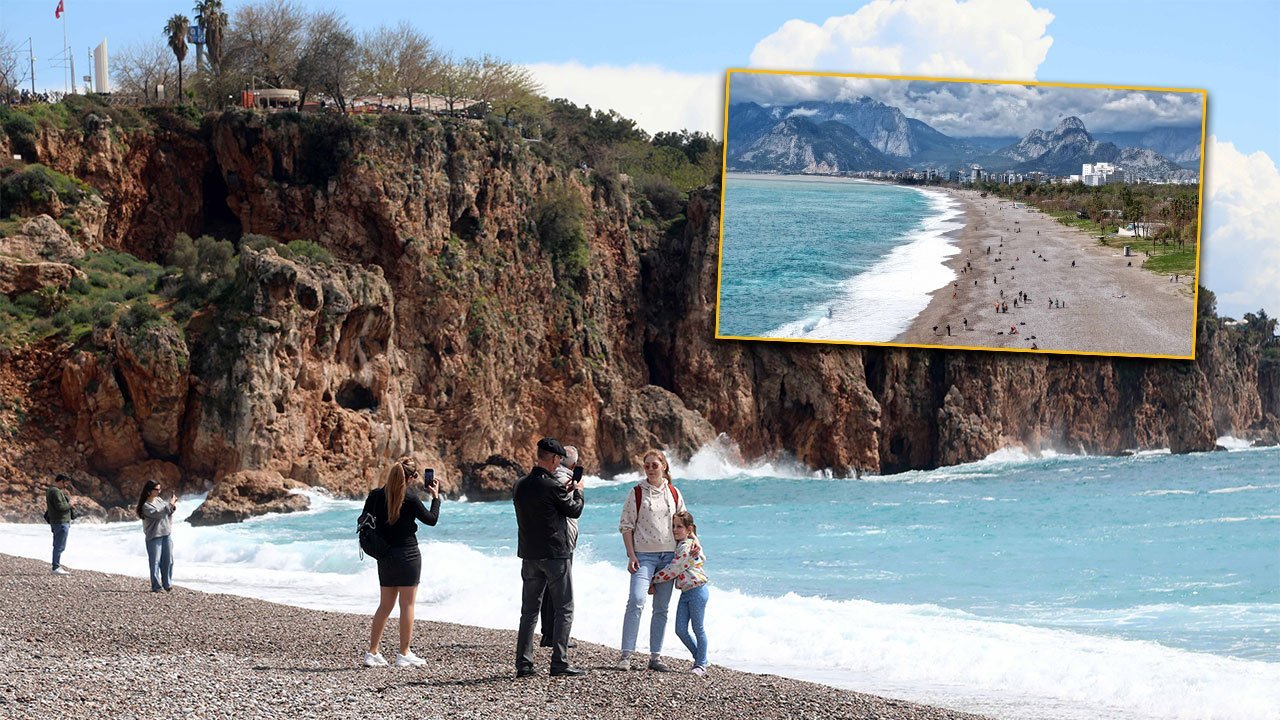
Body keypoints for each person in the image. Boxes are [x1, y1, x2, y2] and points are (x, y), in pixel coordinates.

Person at [515, 438, 585, 677]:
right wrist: (579, 493)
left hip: (529, 554)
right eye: (558, 460)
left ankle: (524, 664)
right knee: (564, 608)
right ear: (554, 459)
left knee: (529, 611)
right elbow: (573, 510)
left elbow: (540, 510)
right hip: (555, 554)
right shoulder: (552, 486)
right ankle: (559, 662)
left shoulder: (520, 485)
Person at [362, 457, 441, 668]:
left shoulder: (375, 496)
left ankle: (372, 652)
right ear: (410, 477)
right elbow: (431, 520)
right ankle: (404, 653)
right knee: (407, 605)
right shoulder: (410, 498)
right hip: (407, 555)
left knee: (385, 605)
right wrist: (435, 497)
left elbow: (365, 522)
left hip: (385, 556)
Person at [616, 449, 686, 672]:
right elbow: (626, 526)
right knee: (636, 600)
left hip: (669, 557)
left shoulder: (674, 493)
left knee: (661, 608)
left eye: (654, 465)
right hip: (643, 556)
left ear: (664, 466)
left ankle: (655, 657)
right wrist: (631, 555)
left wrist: (691, 551)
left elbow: (685, 524)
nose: (650, 469)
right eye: (647, 465)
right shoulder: (636, 493)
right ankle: (626, 655)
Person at [649, 511, 709, 675]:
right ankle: (700, 657)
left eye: (679, 527)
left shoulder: (687, 547)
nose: (675, 529)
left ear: (689, 529)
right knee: (680, 629)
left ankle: (701, 664)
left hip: (697, 590)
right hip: (685, 592)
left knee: (698, 628)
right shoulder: (684, 543)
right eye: (673, 526)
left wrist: (653, 579)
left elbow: (673, 569)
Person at [540, 445, 581, 649]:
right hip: (562, 540)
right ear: (573, 464)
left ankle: (547, 633)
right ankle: (555, 636)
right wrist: (579, 492)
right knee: (561, 592)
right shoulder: (564, 481)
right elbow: (573, 510)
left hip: (545, 541)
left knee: (547, 589)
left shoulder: (547, 478)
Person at [136, 480, 177, 592]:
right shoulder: (146, 506)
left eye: (159, 489)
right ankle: (156, 586)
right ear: (149, 491)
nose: (159, 491)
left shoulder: (159, 500)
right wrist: (171, 503)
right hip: (154, 536)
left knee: (168, 560)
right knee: (155, 562)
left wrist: (172, 505)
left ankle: (167, 584)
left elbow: (167, 511)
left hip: (166, 533)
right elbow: (159, 514)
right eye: (156, 489)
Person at [45, 474, 74, 575]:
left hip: (56, 522)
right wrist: (70, 504)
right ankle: (56, 567)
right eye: (65, 483)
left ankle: (56, 566)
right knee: (59, 546)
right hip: (60, 522)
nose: (66, 485)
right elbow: (60, 507)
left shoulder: (50, 490)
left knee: (57, 545)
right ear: (61, 481)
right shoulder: (55, 491)